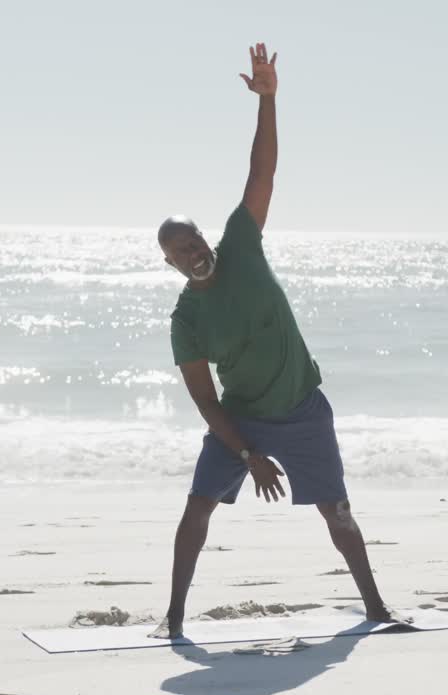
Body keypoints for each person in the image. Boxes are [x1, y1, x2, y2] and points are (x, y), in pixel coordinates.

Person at [152, 44, 398, 638]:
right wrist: (246, 453)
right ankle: (173, 618)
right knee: (196, 510)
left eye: (194, 241)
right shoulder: (185, 319)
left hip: (303, 412)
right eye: (179, 251)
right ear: (171, 264)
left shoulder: (240, 243)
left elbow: (262, 174)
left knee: (337, 513)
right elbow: (207, 402)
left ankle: (376, 609)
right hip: (241, 420)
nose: (193, 252)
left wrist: (268, 101)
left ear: (206, 239)